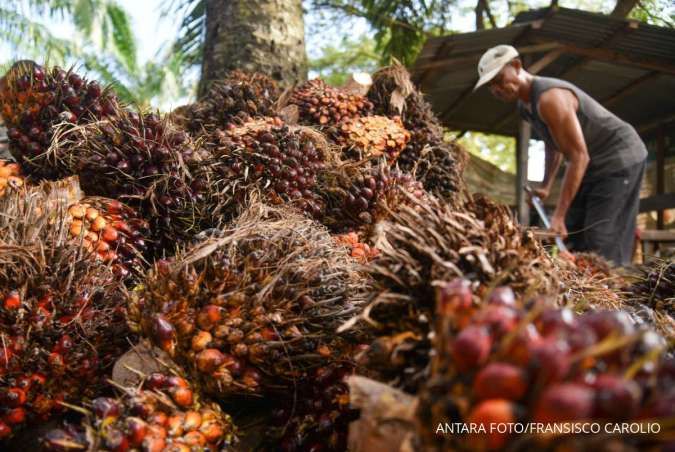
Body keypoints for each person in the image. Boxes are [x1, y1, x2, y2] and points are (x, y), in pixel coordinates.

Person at [474, 45, 647, 266]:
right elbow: (553, 145)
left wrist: (558, 215)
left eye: (499, 79)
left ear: (516, 66)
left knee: (600, 237)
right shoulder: (525, 106)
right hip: (592, 164)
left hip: (620, 157)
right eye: (491, 86)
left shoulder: (550, 98)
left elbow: (579, 156)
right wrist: (546, 186)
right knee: (575, 232)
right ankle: (585, 289)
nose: (497, 89)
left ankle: (614, 293)